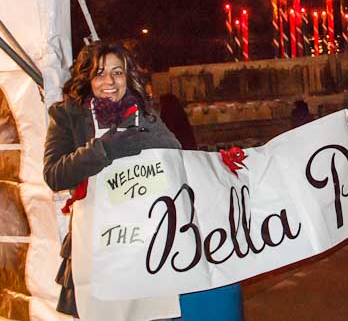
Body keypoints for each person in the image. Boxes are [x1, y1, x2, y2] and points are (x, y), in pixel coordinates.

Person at [44, 40, 244, 321]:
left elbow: (175, 158)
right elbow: (54, 173)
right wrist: (103, 150)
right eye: (99, 73)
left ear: (128, 77)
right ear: (87, 78)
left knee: (151, 314)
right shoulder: (67, 115)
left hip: (145, 241)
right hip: (96, 246)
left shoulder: (144, 115)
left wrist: (219, 166)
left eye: (117, 72)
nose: (109, 81)